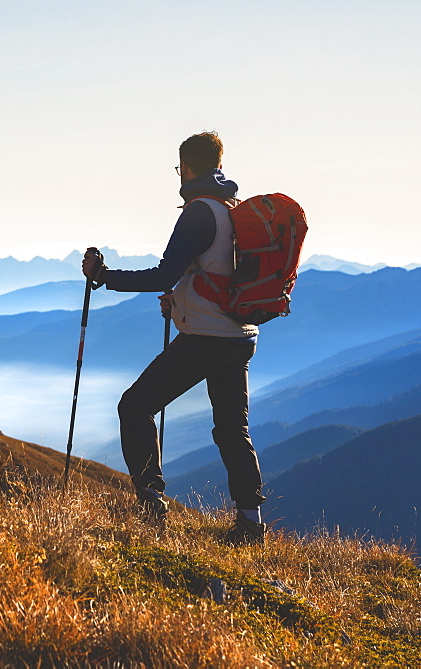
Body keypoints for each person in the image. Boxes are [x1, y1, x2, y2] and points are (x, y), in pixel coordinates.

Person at [81, 131, 266, 543]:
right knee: (233, 427)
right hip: (240, 335)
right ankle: (250, 522)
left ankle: (151, 503)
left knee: (135, 406)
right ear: (219, 165)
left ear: (186, 166)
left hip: (207, 336)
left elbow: (165, 274)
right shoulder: (233, 210)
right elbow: (211, 274)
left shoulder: (199, 212)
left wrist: (104, 277)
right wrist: (183, 298)